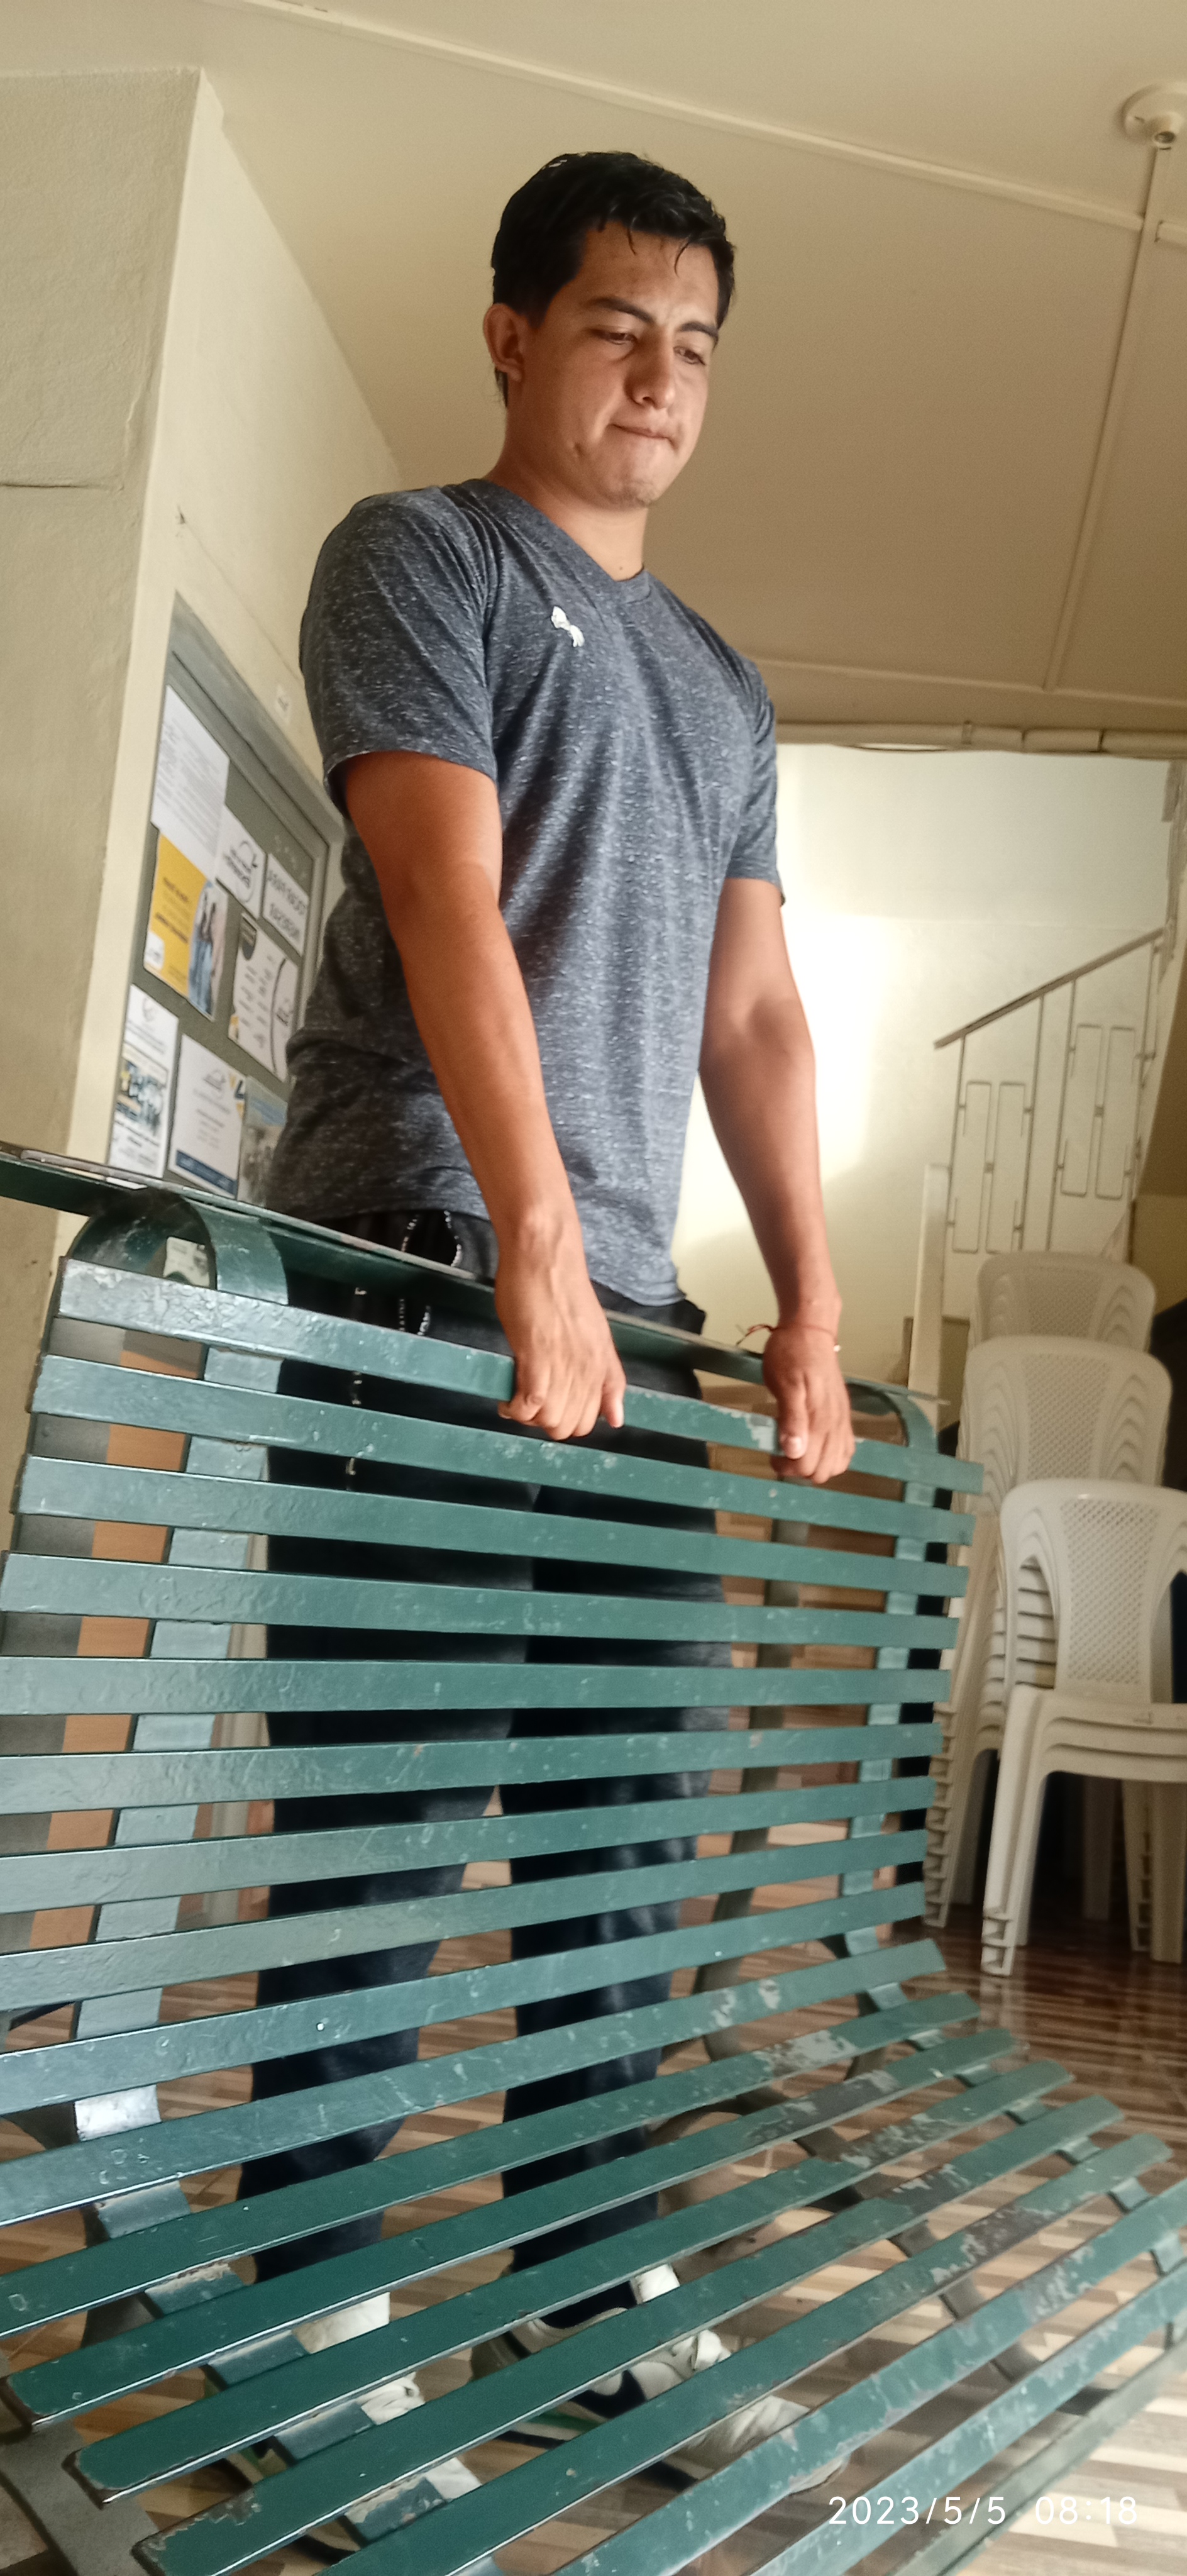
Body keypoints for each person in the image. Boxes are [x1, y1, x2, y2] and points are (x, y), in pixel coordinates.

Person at [248, 150, 854, 2503]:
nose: (662, 378)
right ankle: (306, 2340)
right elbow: (440, 886)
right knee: (387, 1844)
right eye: (619, 327)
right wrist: (519, 1226)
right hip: (422, 1257)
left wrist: (807, 1303)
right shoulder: (421, 558)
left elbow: (757, 1020)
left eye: (697, 346)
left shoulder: (726, 687)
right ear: (514, 334)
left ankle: (586, 2300)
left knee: (625, 1855)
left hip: (634, 1316)